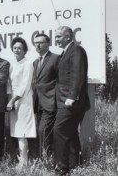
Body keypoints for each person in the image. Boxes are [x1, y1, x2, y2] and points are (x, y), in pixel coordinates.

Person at [53, 26, 90, 175]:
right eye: (56, 37)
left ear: (68, 37)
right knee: (71, 132)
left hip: (71, 101)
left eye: (59, 37)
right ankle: (76, 164)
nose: (56, 40)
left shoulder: (76, 50)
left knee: (59, 130)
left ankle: (62, 168)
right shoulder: (65, 52)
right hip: (64, 100)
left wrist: (72, 97)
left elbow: (77, 74)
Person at [6, 37, 36, 167]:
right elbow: (9, 85)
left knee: (22, 132)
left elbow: (25, 85)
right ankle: (20, 160)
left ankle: (23, 163)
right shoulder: (13, 65)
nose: (17, 50)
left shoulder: (28, 64)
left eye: (20, 48)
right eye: (15, 48)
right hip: (13, 102)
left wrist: (12, 100)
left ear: (24, 51)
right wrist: (10, 100)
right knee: (16, 132)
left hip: (23, 102)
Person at [32, 34, 59, 158]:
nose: (37, 45)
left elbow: (61, 80)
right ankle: (46, 159)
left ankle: (45, 161)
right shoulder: (35, 62)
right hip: (38, 104)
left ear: (48, 43)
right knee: (42, 132)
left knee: (44, 131)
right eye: (36, 42)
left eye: (41, 42)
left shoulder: (56, 58)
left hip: (50, 102)